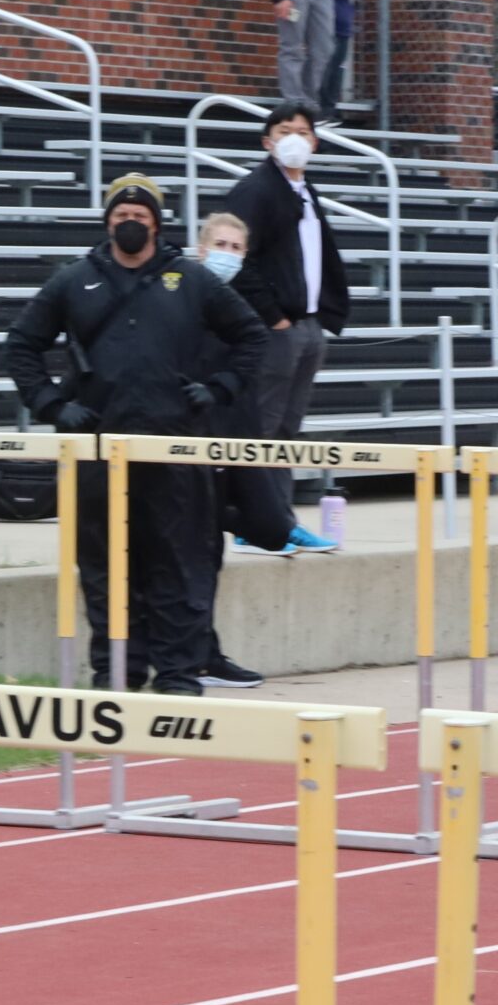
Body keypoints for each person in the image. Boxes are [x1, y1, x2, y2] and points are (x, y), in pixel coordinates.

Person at [5, 175, 266, 695]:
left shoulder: (190, 281)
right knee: (105, 573)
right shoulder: (74, 280)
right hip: (99, 454)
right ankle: (117, 674)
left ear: (156, 224)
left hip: (173, 452)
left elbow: (250, 336)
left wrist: (218, 388)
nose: (130, 224)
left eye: (140, 218)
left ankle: (177, 676)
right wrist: (54, 406)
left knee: (179, 568)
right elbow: (21, 345)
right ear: (107, 222)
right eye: (121, 217)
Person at [220, 104, 348, 558]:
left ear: (314, 143)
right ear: (267, 141)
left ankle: (281, 521)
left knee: (286, 432)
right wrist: (273, 315)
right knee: (263, 428)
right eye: (284, 130)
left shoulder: (305, 192)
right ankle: (250, 524)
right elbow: (238, 256)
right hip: (276, 328)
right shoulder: (257, 190)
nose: (295, 138)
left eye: (303, 131)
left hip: (308, 324)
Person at [191, 213, 300, 690]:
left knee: (275, 528)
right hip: (200, 444)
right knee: (201, 555)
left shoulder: (242, 311)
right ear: (201, 249)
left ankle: (215, 514)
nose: (228, 254)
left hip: (243, 445)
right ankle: (202, 656)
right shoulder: (185, 305)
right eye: (220, 244)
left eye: (237, 248)